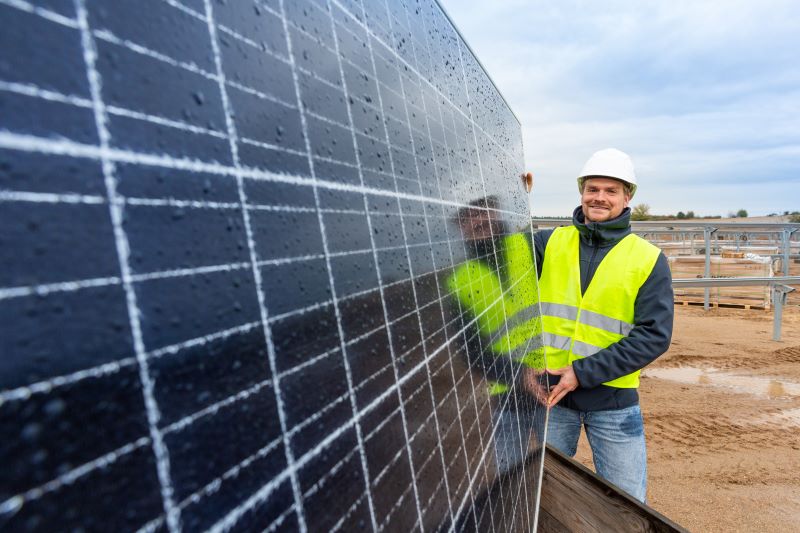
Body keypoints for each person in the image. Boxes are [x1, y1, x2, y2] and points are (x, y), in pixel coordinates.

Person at [527, 148, 674, 502]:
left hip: (613, 400)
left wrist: (582, 372)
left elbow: (654, 335)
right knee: (535, 494)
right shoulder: (549, 242)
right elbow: (491, 252)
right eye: (592, 189)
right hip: (549, 395)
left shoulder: (648, 259)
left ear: (628, 198)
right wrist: (513, 198)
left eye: (611, 191)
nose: (599, 198)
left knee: (626, 504)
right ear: (581, 192)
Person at [446, 196, 547, 476]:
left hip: (553, 386)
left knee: (558, 475)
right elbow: (469, 349)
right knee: (508, 479)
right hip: (506, 398)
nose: (477, 220)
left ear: (495, 211)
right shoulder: (460, 280)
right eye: (467, 217)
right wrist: (518, 374)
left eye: (482, 211)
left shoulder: (531, 246)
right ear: (460, 227)